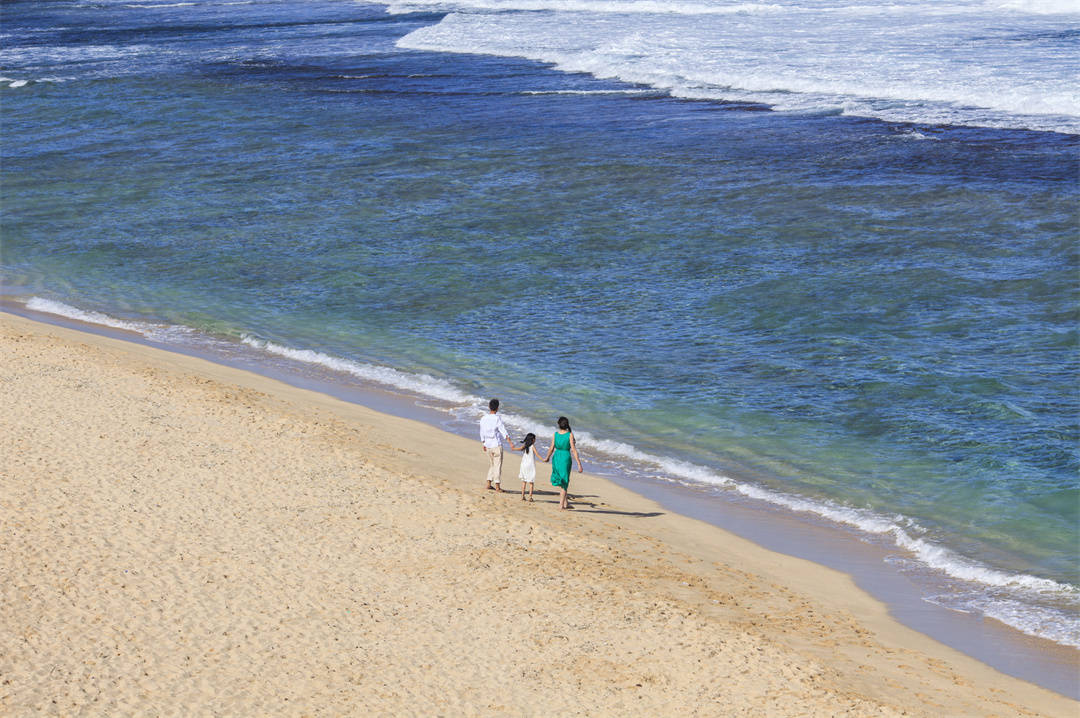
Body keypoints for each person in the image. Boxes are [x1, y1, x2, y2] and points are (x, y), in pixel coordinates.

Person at [541, 416, 583, 510]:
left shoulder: (555, 434)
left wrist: (547, 457)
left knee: (563, 480)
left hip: (556, 457)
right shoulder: (570, 435)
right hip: (565, 458)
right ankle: (561, 505)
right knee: (564, 481)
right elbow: (574, 450)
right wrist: (579, 463)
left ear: (559, 425)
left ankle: (566, 503)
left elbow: (551, 448)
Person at [479, 398, 510, 492]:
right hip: (496, 445)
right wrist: (510, 442)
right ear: (497, 408)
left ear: (489, 407)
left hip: (487, 445)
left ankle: (488, 483)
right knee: (497, 465)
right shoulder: (497, 418)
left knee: (492, 465)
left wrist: (483, 442)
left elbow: (481, 431)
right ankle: (497, 486)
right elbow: (503, 431)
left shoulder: (484, 418)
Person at [508, 432, 543, 502]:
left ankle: (522, 496)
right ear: (532, 440)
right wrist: (544, 459)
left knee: (524, 482)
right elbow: (537, 454)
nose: (535, 440)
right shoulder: (532, 446)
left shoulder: (525, 446)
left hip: (523, 465)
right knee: (531, 482)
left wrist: (513, 448)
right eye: (534, 439)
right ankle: (530, 497)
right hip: (530, 465)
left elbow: (519, 449)